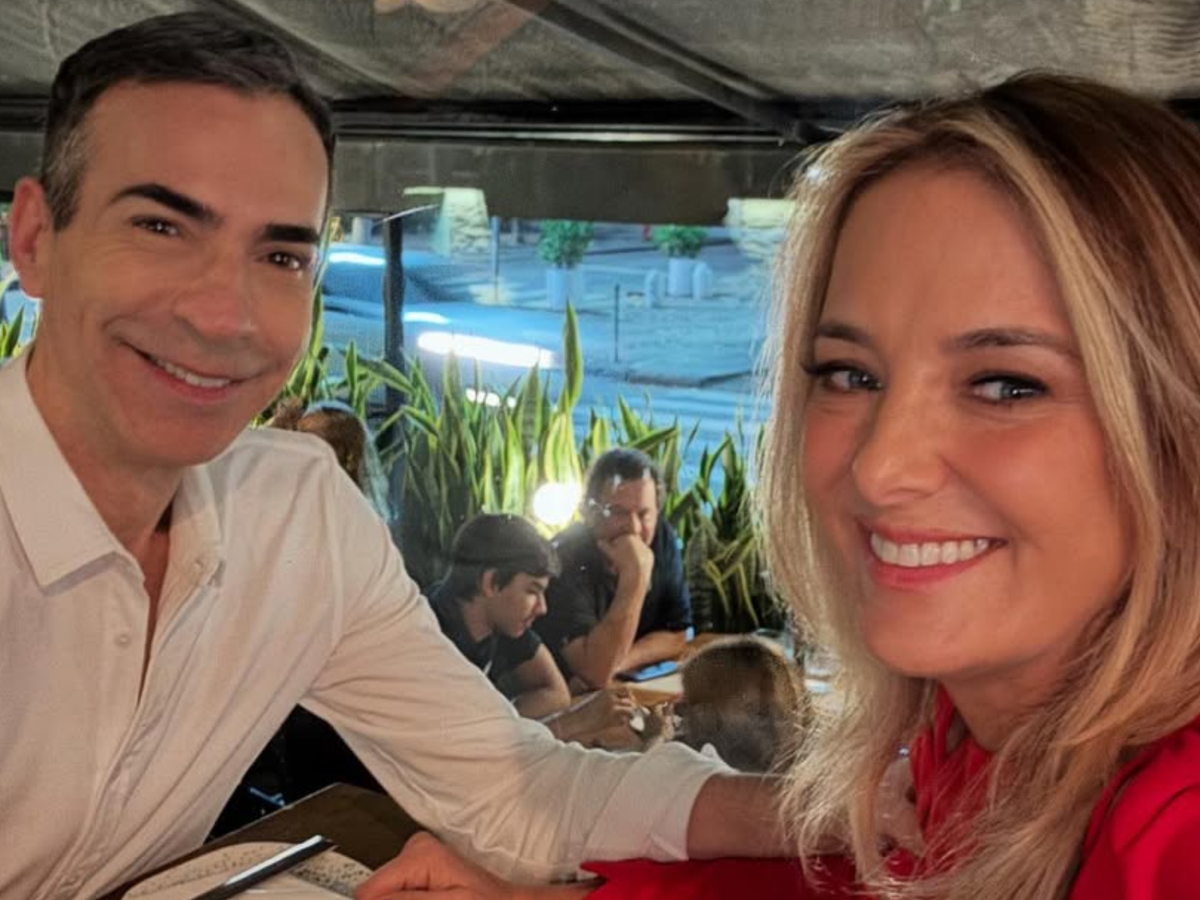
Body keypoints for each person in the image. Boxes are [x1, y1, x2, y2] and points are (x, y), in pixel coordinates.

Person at [354, 73, 1200, 899]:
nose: (879, 467)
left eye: (1007, 385)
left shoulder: (1173, 832)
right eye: (849, 374)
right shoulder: (971, 730)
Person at [0, 14, 788, 900]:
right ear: (34, 239)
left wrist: (822, 812)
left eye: (280, 254)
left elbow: (509, 788)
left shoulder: (298, 514)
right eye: (160, 226)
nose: (225, 315)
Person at [536, 448, 693, 689]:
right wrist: (636, 575)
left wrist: (619, 662)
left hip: (625, 685)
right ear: (589, 512)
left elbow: (677, 635)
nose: (634, 528)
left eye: (644, 514)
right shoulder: (563, 559)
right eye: (618, 512)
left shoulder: (662, 537)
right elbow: (595, 672)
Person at [676, 636, 808, 774]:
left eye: (784, 715)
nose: (779, 731)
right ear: (706, 719)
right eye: (760, 715)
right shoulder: (682, 766)